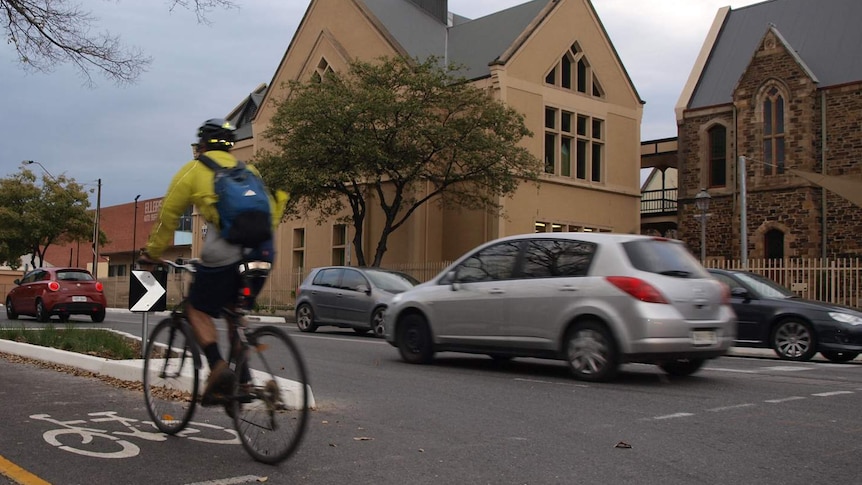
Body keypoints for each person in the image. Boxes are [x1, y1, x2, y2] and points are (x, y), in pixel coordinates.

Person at [139, 118, 288, 405]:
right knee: (235, 312)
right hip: (263, 251)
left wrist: (152, 254)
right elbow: (270, 213)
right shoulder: (250, 171)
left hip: (226, 253)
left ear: (202, 146)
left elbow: (167, 217)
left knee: (196, 307)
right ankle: (243, 382)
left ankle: (217, 367)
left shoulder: (194, 170)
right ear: (231, 146)